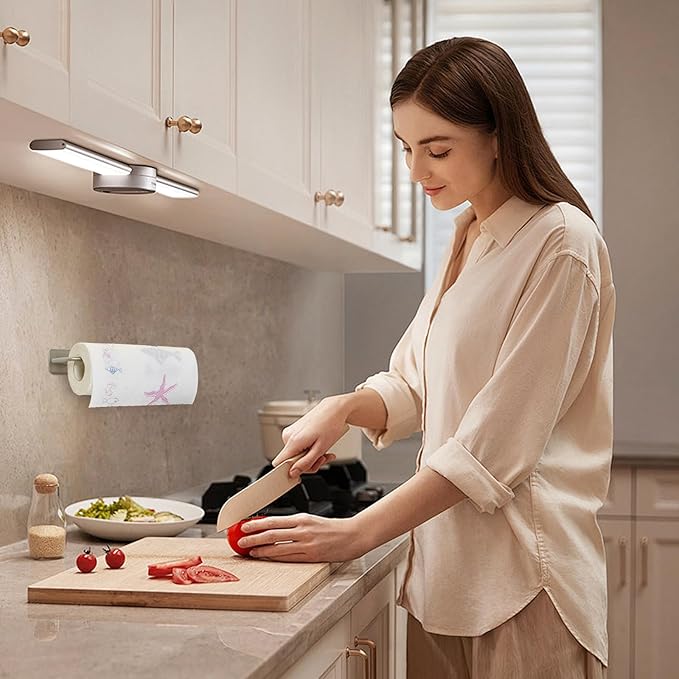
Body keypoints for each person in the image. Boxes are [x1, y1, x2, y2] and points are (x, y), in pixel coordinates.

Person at [235, 37, 614, 679]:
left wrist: (357, 533)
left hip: (528, 584)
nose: (417, 171)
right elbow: (417, 382)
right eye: (406, 148)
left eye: (437, 150)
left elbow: (495, 446)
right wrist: (344, 408)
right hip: (441, 581)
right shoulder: (469, 235)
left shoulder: (562, 245)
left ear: (500, 135)